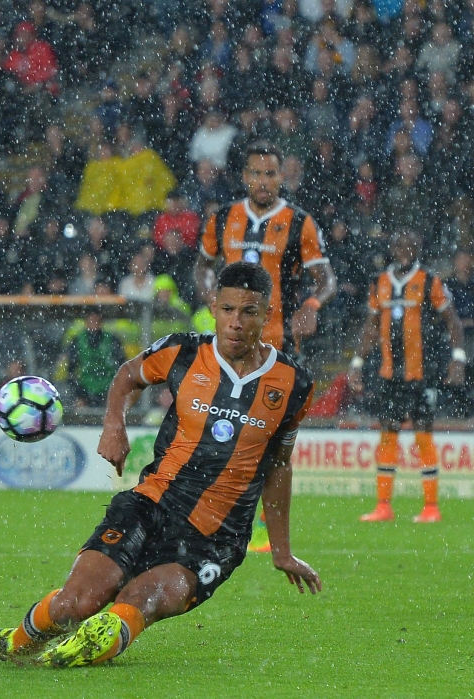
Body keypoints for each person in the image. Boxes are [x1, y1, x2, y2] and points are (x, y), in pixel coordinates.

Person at [0, 262, 321, 667]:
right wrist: (114, 426)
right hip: (151, 503)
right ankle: (14, 644)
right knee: (76, 603)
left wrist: (281, 551)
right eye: (228, 309)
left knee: (139, 600)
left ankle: (88, 649)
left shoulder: (293, 382)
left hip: (216, 535)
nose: (236, 322)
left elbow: (279, 465)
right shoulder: (183, 351)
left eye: (248, 312)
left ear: (267, 314)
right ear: (213, 306)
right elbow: (128, 376)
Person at [194, 141, 336, 554]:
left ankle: (255, 525)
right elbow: (203, 264)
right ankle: (213, 513)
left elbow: (325, 278)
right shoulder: (223, 219)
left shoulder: (299, 222)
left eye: (270, 174)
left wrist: (312, 304)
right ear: (244, 177)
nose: (263, 181)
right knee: (219, 427)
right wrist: (209, 294)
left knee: (267, 438)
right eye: (256, 173)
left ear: (282, 177)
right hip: (229, 344)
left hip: (276, 348)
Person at [350, 230, 466, 524]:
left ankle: (431, 507)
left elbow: (452, 320)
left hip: (422, 374)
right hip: (389, 374)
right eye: (399, 245)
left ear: (419, 248)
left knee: (423, 435)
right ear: (391, 248)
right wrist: (357, 361)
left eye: (411, 245)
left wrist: (458, 358)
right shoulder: (380, 282)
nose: (405, 250)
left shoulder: (429, 281)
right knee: (387, 434)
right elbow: (371, 325)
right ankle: (384, 506)